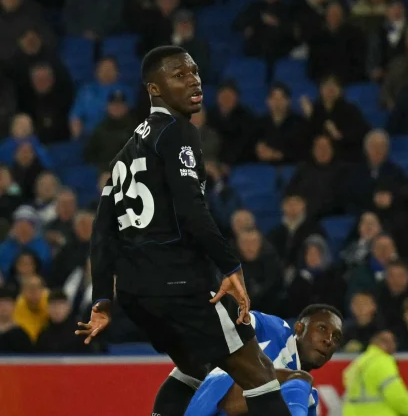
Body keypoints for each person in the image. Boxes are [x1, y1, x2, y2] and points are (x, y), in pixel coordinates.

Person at [79, 46, 298, 416]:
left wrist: (103, 298)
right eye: (179, 75)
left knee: (195, 368)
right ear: (155, 89)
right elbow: (192, 210)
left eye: (194, 72)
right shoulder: (178, 132)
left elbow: (102, 233)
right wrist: (231, 266)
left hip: (136, 293)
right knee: (258, 372)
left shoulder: (124, 154)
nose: (193, 80)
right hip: (180, 283)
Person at [183, 305, 343, 416]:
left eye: (335, 337)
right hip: (211, 400)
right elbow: (234, 317)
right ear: (299, 328)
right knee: (299, 379)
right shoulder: (275, 329)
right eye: (322, 328)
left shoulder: (307, 399)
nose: (329, 340)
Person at [342, 329, 408, 416]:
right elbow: (398, 399)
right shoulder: (382, 362)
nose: (395, 346)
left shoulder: (358, 362)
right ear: (383, 344)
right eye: (392, 342)